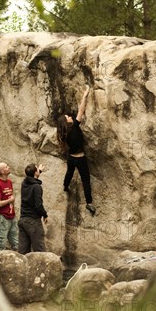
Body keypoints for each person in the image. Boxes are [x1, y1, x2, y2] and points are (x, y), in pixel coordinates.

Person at [57, 85, 96, 215]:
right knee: (85, 180)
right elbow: (81, 110)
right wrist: (85, 95)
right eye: (68, 117)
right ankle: (89, 203)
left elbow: (79, 113)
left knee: (69, 172)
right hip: (80, 158)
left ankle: (65, 186)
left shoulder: (63, 134)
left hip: (71, 158)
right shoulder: (74, 127)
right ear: (67, 122)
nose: (70, 116)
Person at [18, 163, 48, 254]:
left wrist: (39, 171)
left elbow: (32, 178)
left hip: (23, 220)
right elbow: (38, 205)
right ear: (35, 173)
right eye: (37, 169)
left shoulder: (24, 183)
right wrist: (44, 214)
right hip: (33, 222)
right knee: (40, 252)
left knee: (23, 252)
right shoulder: (37, 187)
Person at [0, 162, 18, 251]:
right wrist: (10, 200)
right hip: (2, 217)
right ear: (2, 171)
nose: (9, 167)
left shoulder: (9, 182)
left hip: (11, 215)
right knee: (1, 242)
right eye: (7, 166)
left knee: (16, 241)